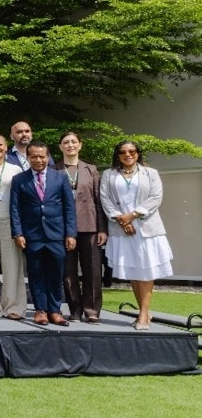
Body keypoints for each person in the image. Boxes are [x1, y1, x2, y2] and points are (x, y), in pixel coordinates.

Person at [99, 140, 173, 330]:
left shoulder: (151, 173)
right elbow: (105, 199)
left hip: (146, 228)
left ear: (138, 154)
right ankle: (144, 312)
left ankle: (143, 314)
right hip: (121, 229)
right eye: (123, 152)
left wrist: (132, 215)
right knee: (133, 270)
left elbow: (155, 197)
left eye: (132, 151)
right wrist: (121, 220)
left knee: (146, 270)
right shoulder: (108, 175)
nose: (128, 155)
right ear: (118, 155)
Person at [10, 141, 77, 326]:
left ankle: (54, 310)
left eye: (42, 156)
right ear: (28, 158)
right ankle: (40, 310)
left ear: (48, 157)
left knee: (56, 273)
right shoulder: (19, 179)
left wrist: (71, 233)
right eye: (34, 157)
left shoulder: (60, 177)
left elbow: (69, 207)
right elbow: (14, 208)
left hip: (56, 234)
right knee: (36, 273)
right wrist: (17, 233)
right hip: (32, 235)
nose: (38, 160)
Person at [54, 131, 107, 324]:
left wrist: (102, 228)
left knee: (92, 270)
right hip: (63, 228)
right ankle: (75, 309)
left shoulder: (91, 170)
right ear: (60, 147)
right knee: (68, 272)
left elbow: (98, 201)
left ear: (80, 145)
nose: (70, 145)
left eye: (73, 142)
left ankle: (92, 310)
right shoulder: (54, 170)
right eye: (66, 142)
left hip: (89, 226)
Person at [0, 134, 27, 320]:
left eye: (0, 145)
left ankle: (13, 307)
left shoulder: (15, 169)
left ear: (6, 147)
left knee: (13, 265)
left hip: (10, 220)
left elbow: (21, 198)